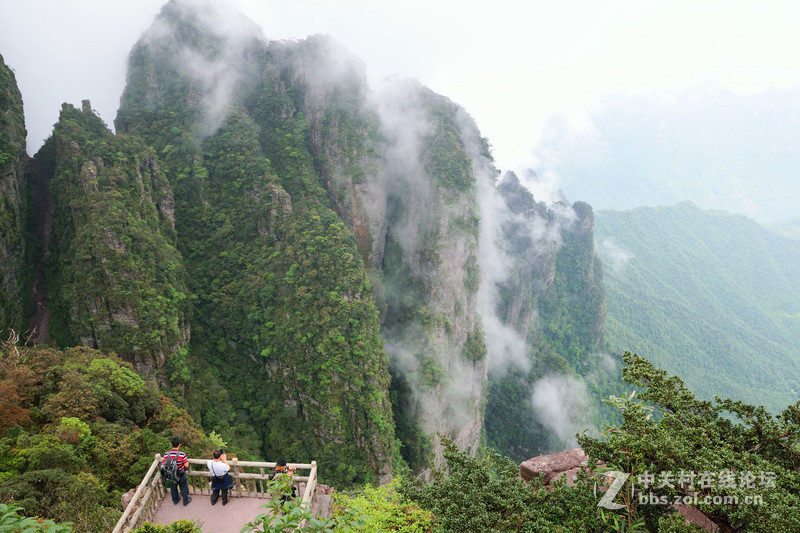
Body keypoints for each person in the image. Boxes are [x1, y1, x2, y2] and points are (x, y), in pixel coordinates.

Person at [163, 436, 191, 506]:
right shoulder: (182, 454)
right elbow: (186, 465)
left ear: (172, 445)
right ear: (179, 445)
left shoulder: (166, 454)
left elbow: (163, 463)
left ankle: (175, 500)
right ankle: (185, 501)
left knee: (173, 487)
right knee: (183, 487)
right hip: (180, 474)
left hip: (171, 474)